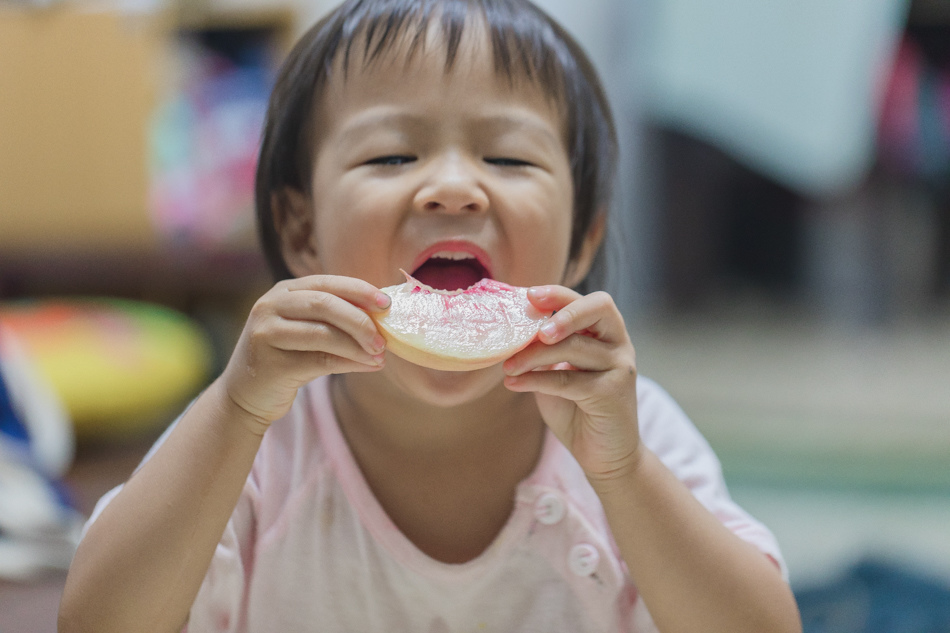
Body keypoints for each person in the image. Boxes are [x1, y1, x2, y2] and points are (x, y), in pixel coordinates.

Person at [58, 1, 802, 631]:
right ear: (301, 232)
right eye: (391, 156)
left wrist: (627, 473)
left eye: (508, 159)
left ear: (583, 240)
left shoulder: (627, 432)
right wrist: (231, 410)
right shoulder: (254, 442)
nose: (453, 188)